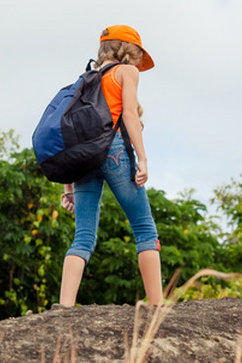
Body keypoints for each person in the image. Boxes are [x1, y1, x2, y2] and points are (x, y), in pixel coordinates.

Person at [57, 25, 163, 307]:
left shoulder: (84, 79)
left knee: (83, 237)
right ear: (129, 50)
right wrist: (142, 159)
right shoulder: (126, 72)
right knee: (145, 229)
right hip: (115, 150)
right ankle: (157, 307)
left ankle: (64, 307)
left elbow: (68, 133)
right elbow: (128, 114)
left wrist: (67, 189)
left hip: (83, 158)